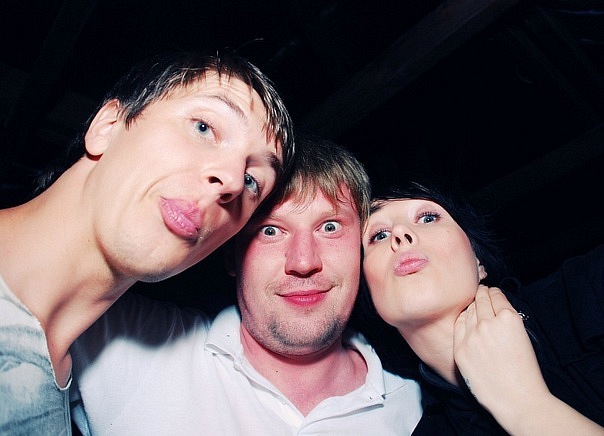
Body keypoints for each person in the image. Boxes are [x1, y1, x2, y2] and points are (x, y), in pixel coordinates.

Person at [0, 50, 295, 435]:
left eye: (253, 180)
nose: (232, 181)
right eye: (203, 127)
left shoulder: (60, 390)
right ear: (107, 126)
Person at [70, 136, 422, 435]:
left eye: (329, 227)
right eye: (271, 230)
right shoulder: (125, 348)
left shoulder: (416, 410)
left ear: (361, 248)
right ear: (231, 256)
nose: (303, 262)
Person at [360, 180, 604, 435]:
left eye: (428, 218)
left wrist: (526, 405)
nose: (400, 232)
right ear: (369, 293)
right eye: (379, 235)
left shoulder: (588, 286)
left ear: (478, 262)